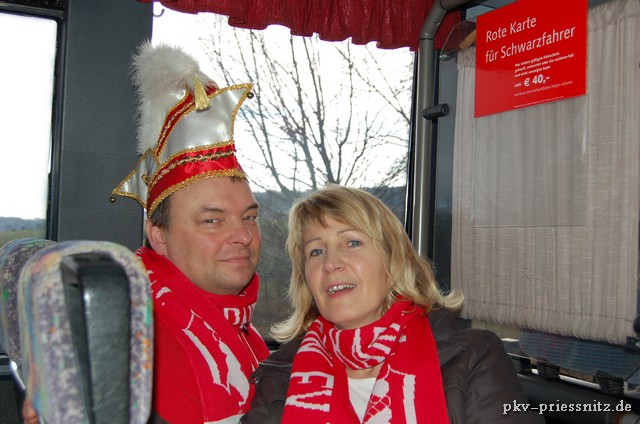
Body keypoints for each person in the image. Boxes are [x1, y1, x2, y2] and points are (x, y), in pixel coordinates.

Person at [23, 42, 270, 424]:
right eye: (212, 220)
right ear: (158, 235)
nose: (243, 235)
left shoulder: (240, 325)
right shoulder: (132, 339)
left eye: (249, 217)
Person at [241, 184, 543, 424]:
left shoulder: (473, 357)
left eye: (352, 242)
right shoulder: (279, 375)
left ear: (393, 259)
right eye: (316, 251)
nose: (331, 263)